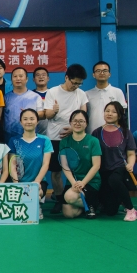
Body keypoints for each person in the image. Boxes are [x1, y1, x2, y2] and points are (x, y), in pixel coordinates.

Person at [44, 64, 89, 214]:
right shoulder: (52, 92)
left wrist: (73, 129)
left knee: (76, 169)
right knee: (56, 171)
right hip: (55, 138)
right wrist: (54, 111)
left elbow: (84, 115)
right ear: (66, 77)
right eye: (74, 82)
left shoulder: (81, 94)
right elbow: (47, 115)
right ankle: (59, 199)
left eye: (79, 84)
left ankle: (75, 197)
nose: (75, 86)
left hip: (75, 137)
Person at [91, 102, 137, 221]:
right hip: (103, 171)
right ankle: (118, 198)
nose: (109, 114)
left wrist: (131, 164)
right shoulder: (96, 132)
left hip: (120, 168)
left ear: (119, 115)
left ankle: (131, 209)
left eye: (113, 111)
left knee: (114, 179)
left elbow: (131, 153)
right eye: (107, 111)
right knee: (110, 211)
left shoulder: (126, 132)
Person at [7, 109, 53, 219]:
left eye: (32, 119)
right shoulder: (14, 140)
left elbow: (46, 164)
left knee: (36, 193)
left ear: (37, 121)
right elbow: (12, 165)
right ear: (21, 122)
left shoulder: (44, 140)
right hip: (19, 182)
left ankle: (37, 206)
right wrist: (16, 183)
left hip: (39, 183)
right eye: (25, 119)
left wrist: (36, 182)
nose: (29, 122)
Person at [59, 110, 101, 219]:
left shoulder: (93, 141)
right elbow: (65, 166)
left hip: (90, 182)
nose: (77, 123)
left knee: (70, 196)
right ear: (70, 122)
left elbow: (96, 165)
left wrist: (83, 182)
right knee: (68, 214)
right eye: (75, 121)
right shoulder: (64, 142)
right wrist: (74, 183)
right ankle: (89, 205)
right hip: (73, 181)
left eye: (81, 121)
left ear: (86, 124)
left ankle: (93, 204)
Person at [3, 68, 43, 146]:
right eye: (15, 76)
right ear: (11, 79)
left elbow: (42, 114)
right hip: (9, 138)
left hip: (30, 138)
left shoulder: (35, 96)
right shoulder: (5, 98)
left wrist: (29, 114)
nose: (18, 78)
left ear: (27, 79)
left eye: (21, 76)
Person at [86, 61, 127, 134]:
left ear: (109, 74)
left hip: (113, 133)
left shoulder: (117, 92)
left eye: (105, 71)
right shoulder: (87, 94)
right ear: (93, 75)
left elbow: (122, 113)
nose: (102, 73)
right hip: (91, 133)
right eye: (98, 71)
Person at [32, 67, 50, 135]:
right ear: (34, 79)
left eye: (43, 75)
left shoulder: (53, 94)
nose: (41, 77)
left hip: (52, 133)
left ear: (48, 78)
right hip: (35, 132)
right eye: (38, 75)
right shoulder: (30, 96)